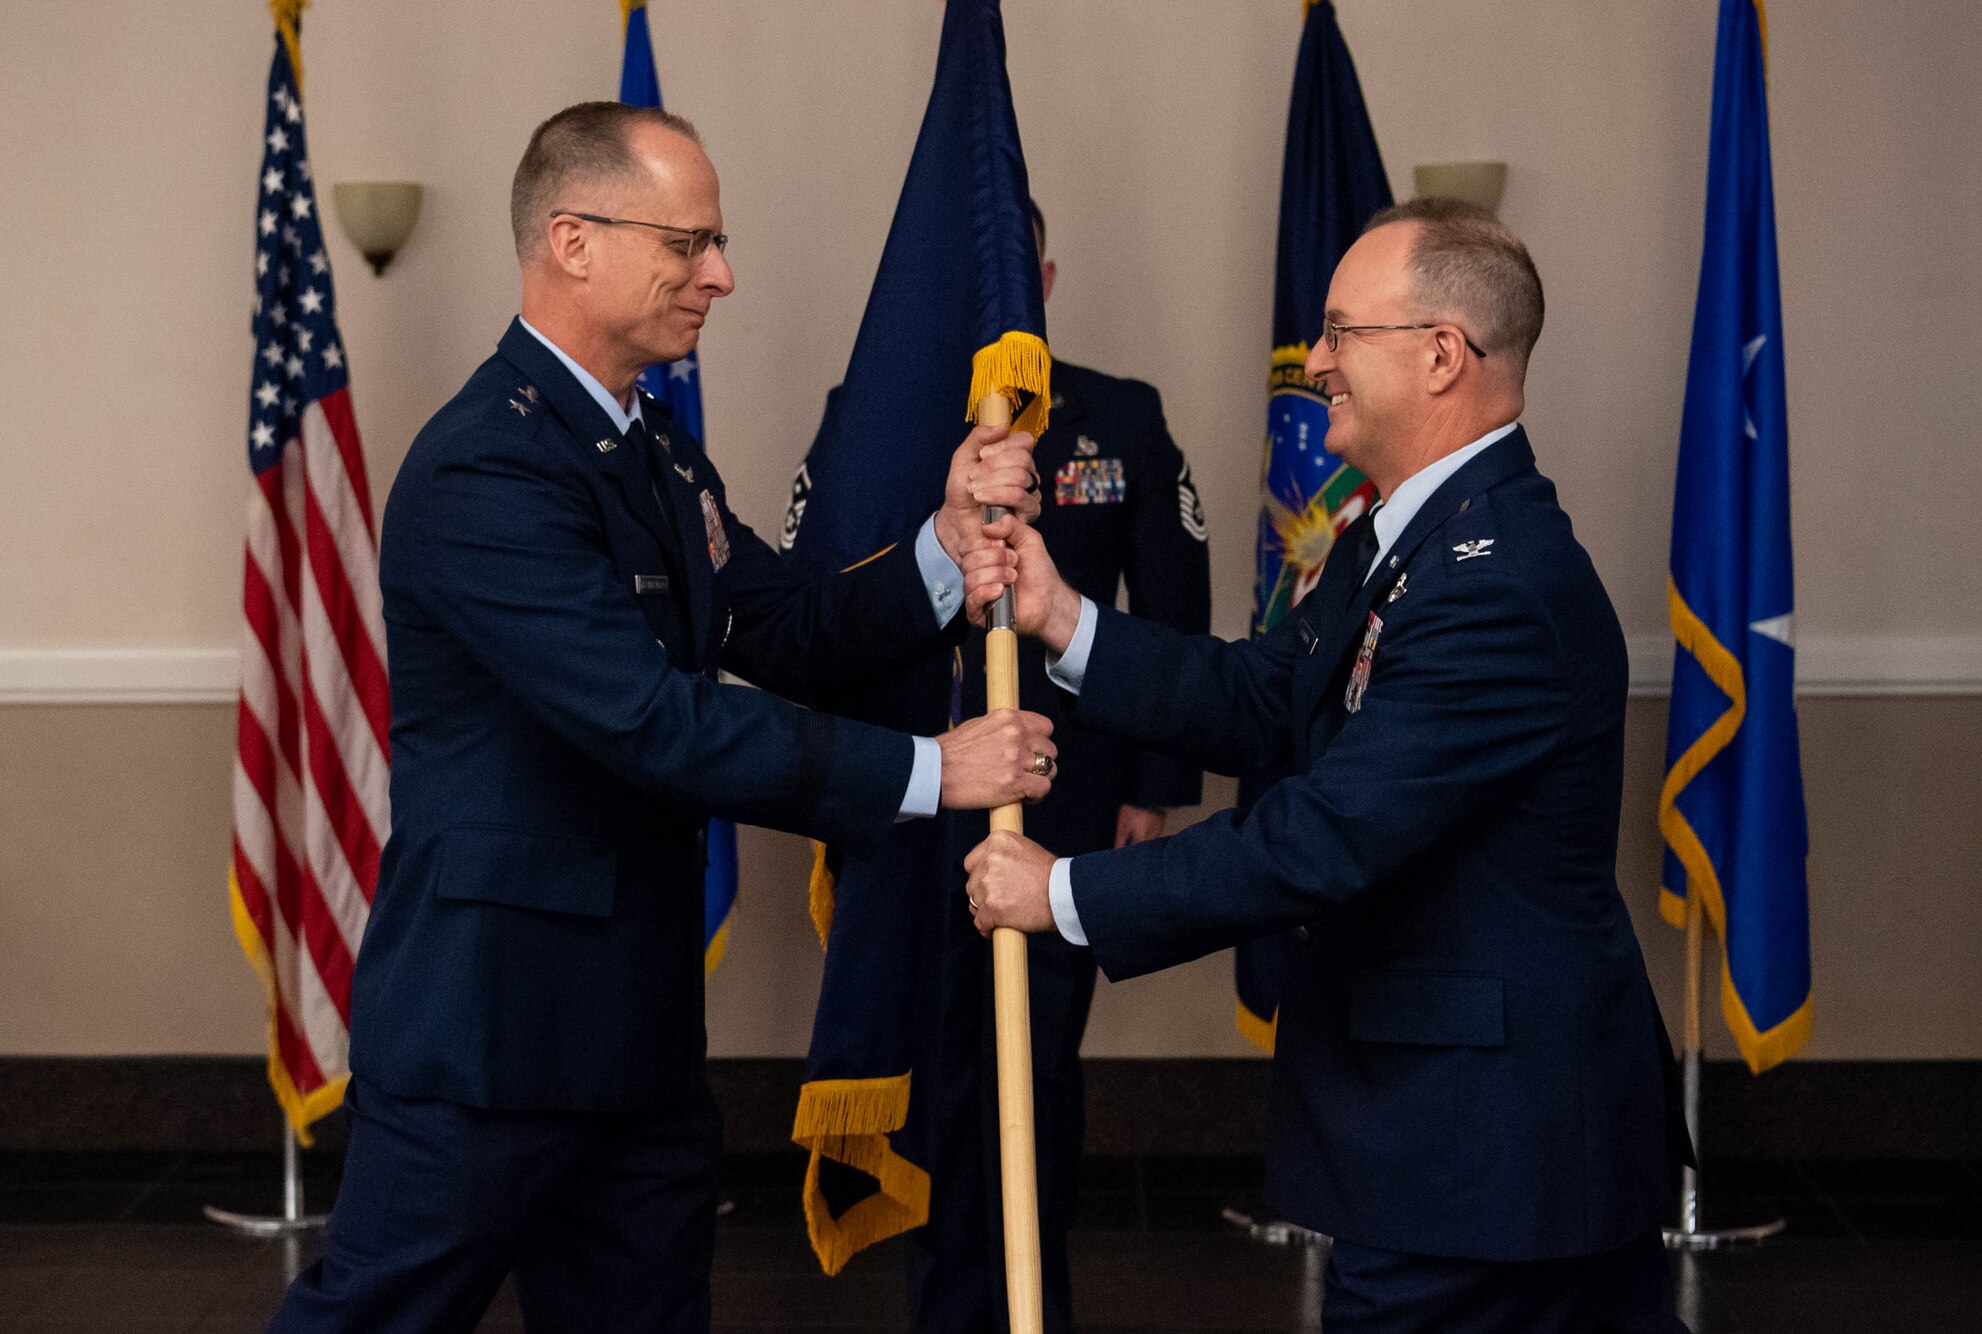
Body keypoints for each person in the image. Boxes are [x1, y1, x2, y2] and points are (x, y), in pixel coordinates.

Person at [269, 102, 1058, 1334]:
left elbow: (786, 625)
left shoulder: (651, 455)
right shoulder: (488, 465)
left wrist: (946, 551)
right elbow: (649, 721)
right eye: (688, 244)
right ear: (572, 241)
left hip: (635, 1034)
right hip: (490, 1035)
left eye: (716, 243)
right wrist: (927, 769)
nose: (721, 275)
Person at [966, 198, 1693, 1333]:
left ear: (1441, 355)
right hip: (1449, 1139)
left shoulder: (1492, 582)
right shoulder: (1401, 533)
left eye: (1341, 333)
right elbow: (1269, 694)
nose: (1313, 363)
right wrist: (1063, 618)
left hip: (1488, 1153)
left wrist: (1057, 892)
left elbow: (1324, 833)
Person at [904, 200, 1212, 1333]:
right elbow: (823, 589)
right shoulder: (883, 406)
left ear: (1043, 277)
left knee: (1036, 1058)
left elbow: (1172, 605)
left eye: (1012, 278)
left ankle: (1035, 1300)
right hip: (917, 784)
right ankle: (944, 1304)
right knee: (931, 1058)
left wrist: (1150, 782)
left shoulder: (1117, 417)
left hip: (1063, 792)